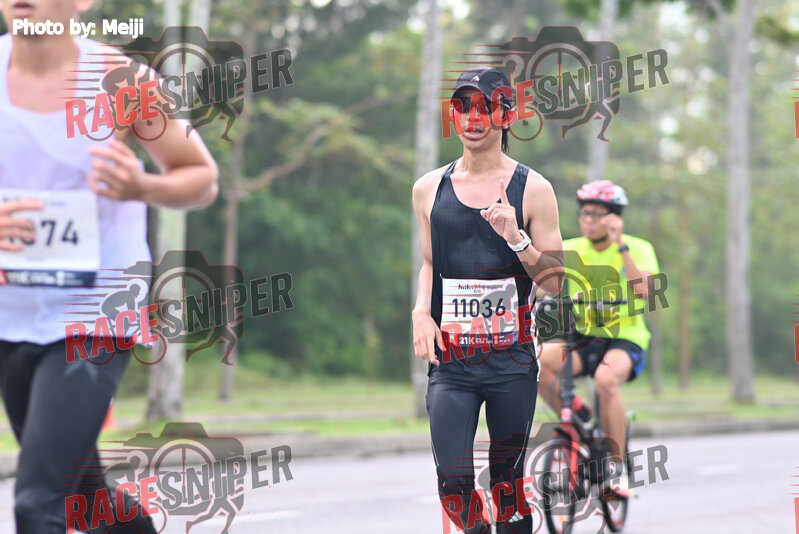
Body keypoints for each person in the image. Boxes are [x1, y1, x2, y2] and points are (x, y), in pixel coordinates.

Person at [0, 1, 218, 532]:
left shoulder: (123, 81)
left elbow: (201, 177)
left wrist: (142, 186)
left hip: (94, 316)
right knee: (83, 496)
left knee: (38, 502)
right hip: (11, 312)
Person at [412, 67, 563, 534]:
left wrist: (516, 238)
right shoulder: (428, 188)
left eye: (485, 107)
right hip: (452, 361)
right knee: (453, 486)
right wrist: (420, 312)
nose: (473, 118)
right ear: (453, 115)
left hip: (510, 361)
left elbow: (556, 282)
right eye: (463, 106)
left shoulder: (533, 188)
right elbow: (430, 263)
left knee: (506, 487)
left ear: (506, 115)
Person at [537, 180, 660, 498]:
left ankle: (617, 468)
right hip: (583, 336)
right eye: (584, 213)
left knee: (606, 381)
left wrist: (621, 246)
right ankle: (580, 420)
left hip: (623, 338)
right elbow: (540, 283)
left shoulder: (638, 247)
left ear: (614, 217)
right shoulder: (572, 247)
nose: (588, 220)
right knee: (540, 364)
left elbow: (644, 292)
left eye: (597, 214)